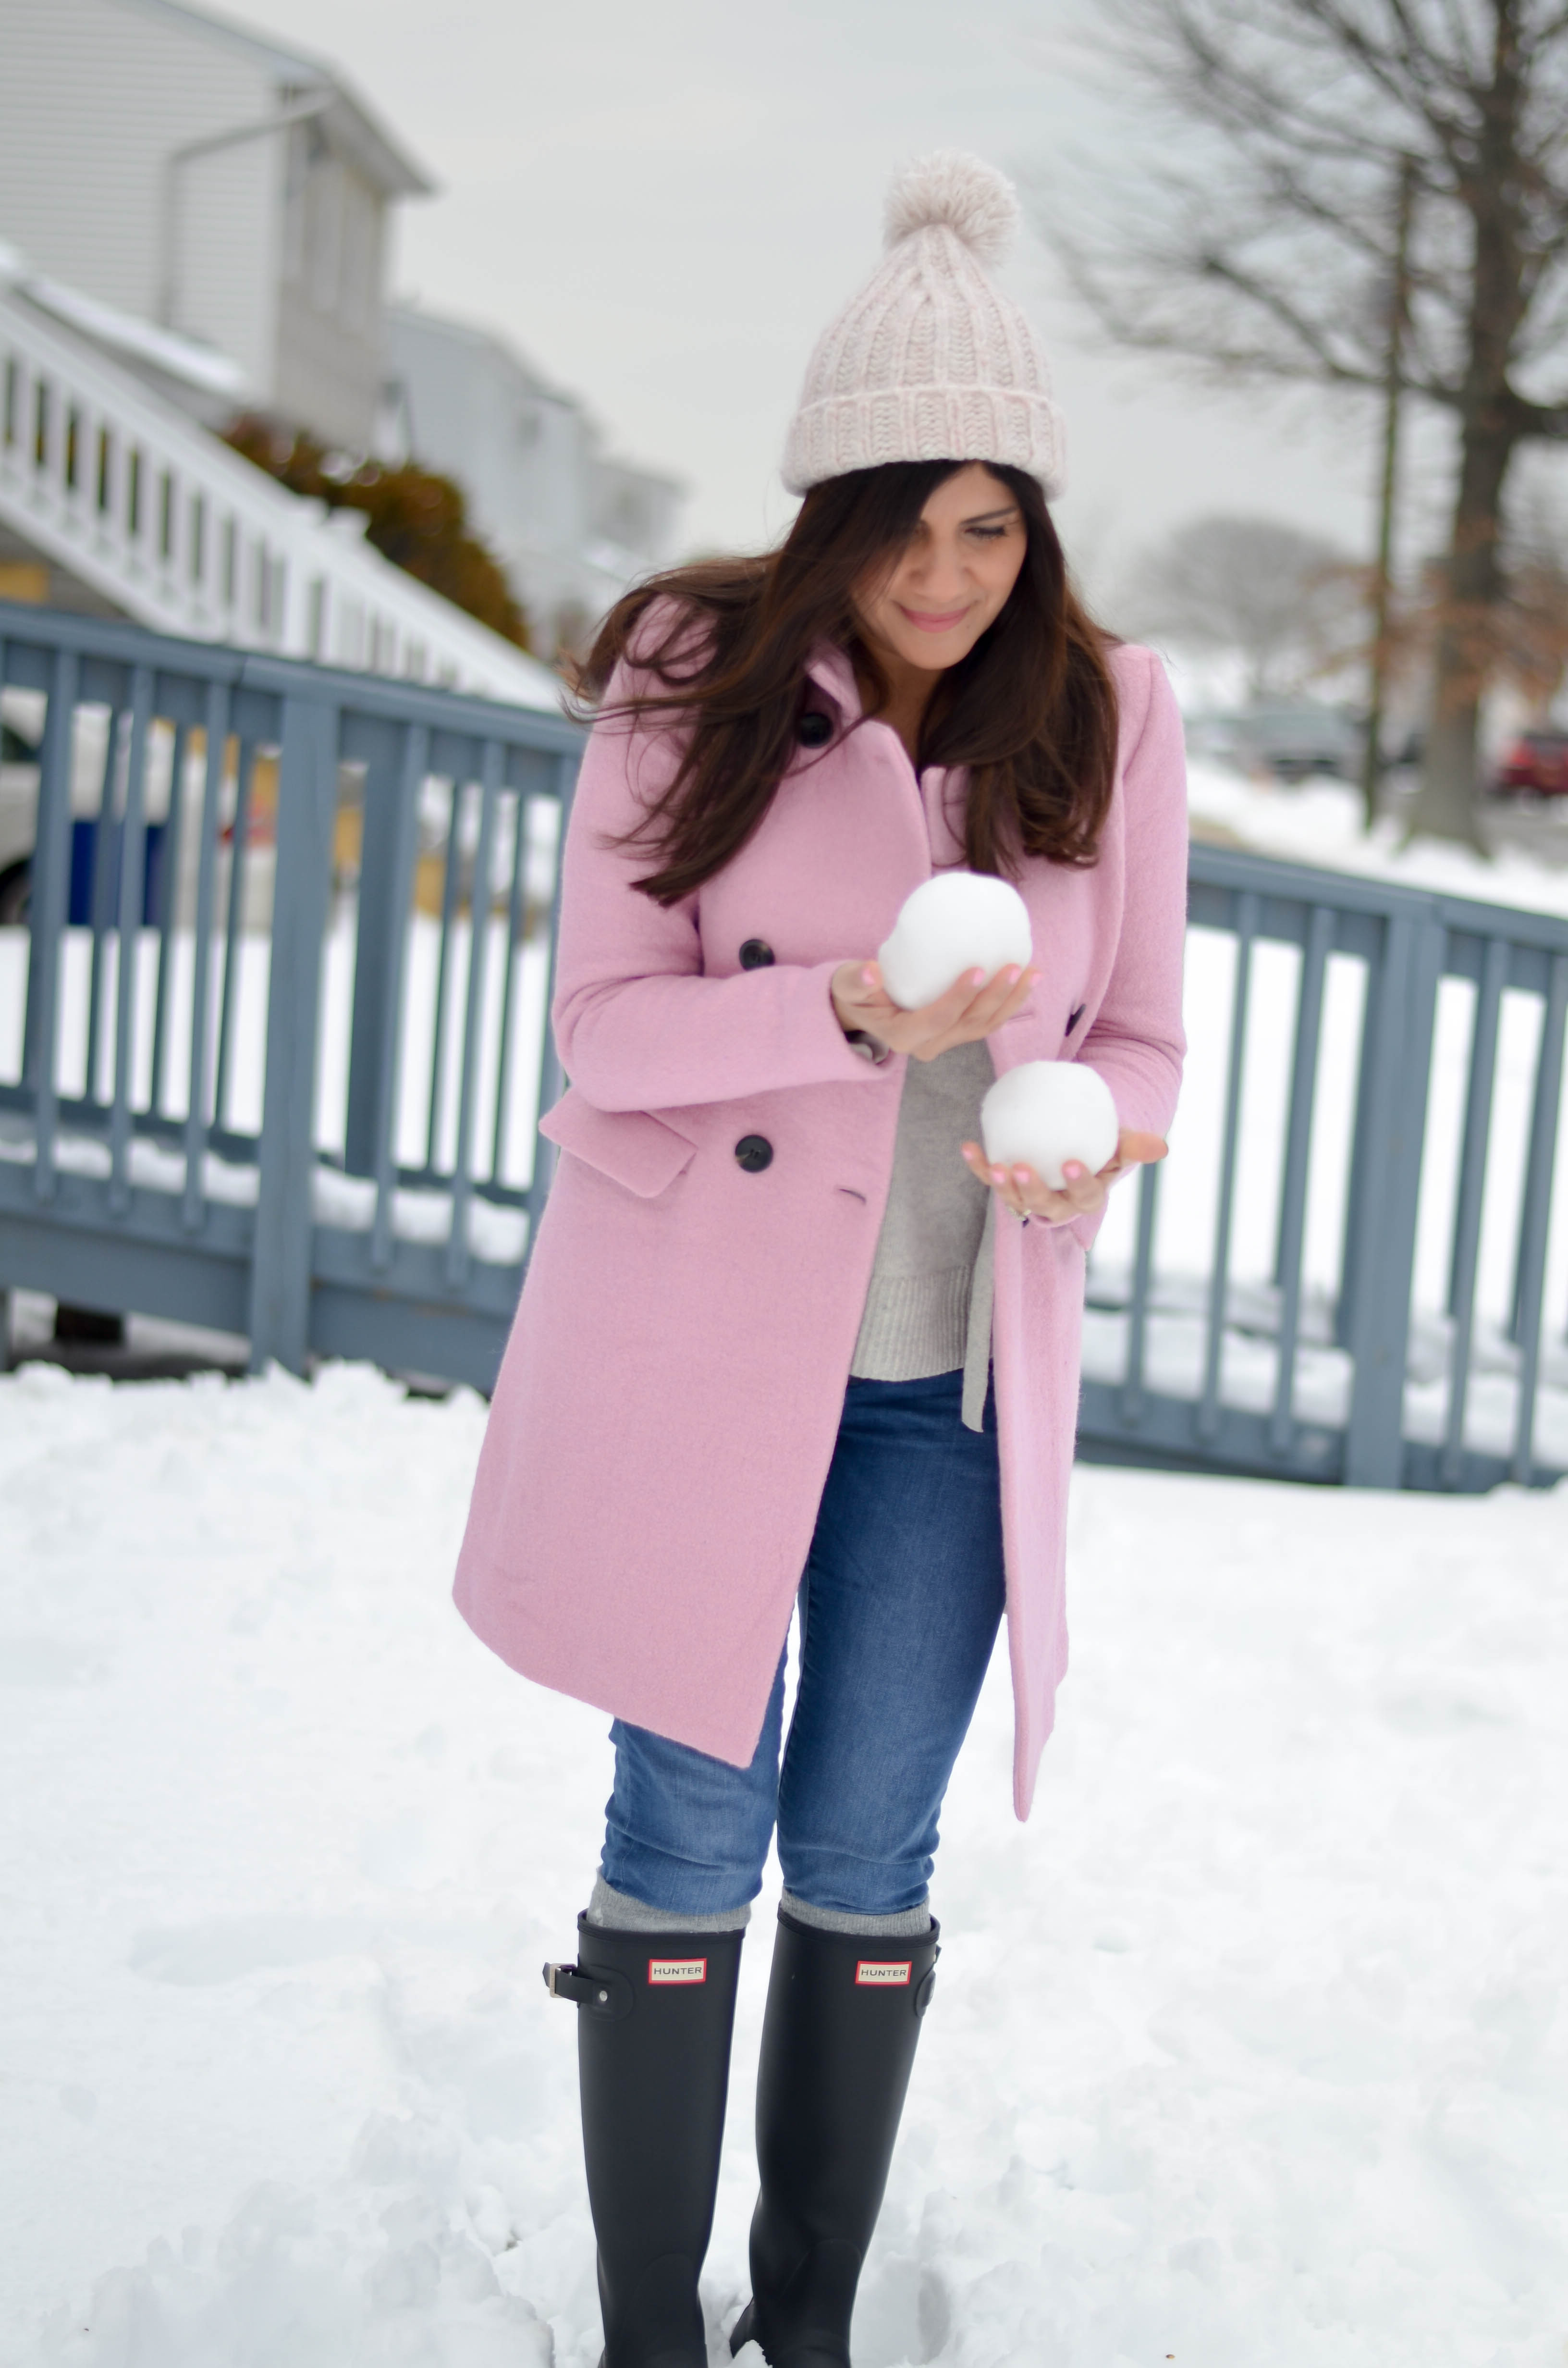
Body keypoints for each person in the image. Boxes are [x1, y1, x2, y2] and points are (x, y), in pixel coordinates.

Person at [454, 150, 1188, 2368]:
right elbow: (600, 1025)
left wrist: (1094, 1147)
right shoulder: (696, 671)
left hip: (949, 1375)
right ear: (826, 504)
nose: (947, 574)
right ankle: (652, 2338)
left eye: (994, 525)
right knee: (687, 1816)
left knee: (869, 1848)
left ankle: (809, 2324)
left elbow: (1140, 1027)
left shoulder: (1110, 711)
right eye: (906, 517)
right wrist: (848, 1011)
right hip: (703, 1344)